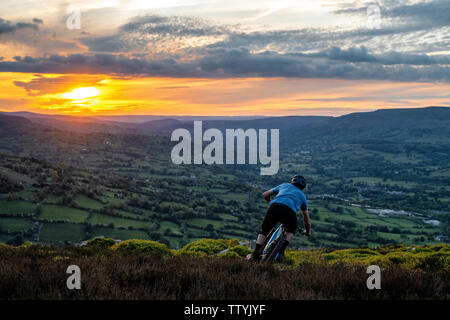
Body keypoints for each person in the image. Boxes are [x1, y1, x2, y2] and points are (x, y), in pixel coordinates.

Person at [248, 175, 311, 262]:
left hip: (274, 207)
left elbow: (265, 194)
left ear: (292, 181)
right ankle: (281, 253)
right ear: (303, 187)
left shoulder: (284, 185)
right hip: (290, 212)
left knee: (264, 231)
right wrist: (307, 232)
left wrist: (269, 202)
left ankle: (254, 255)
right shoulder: (303, 197)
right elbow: (306, 220)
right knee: (291, 231)